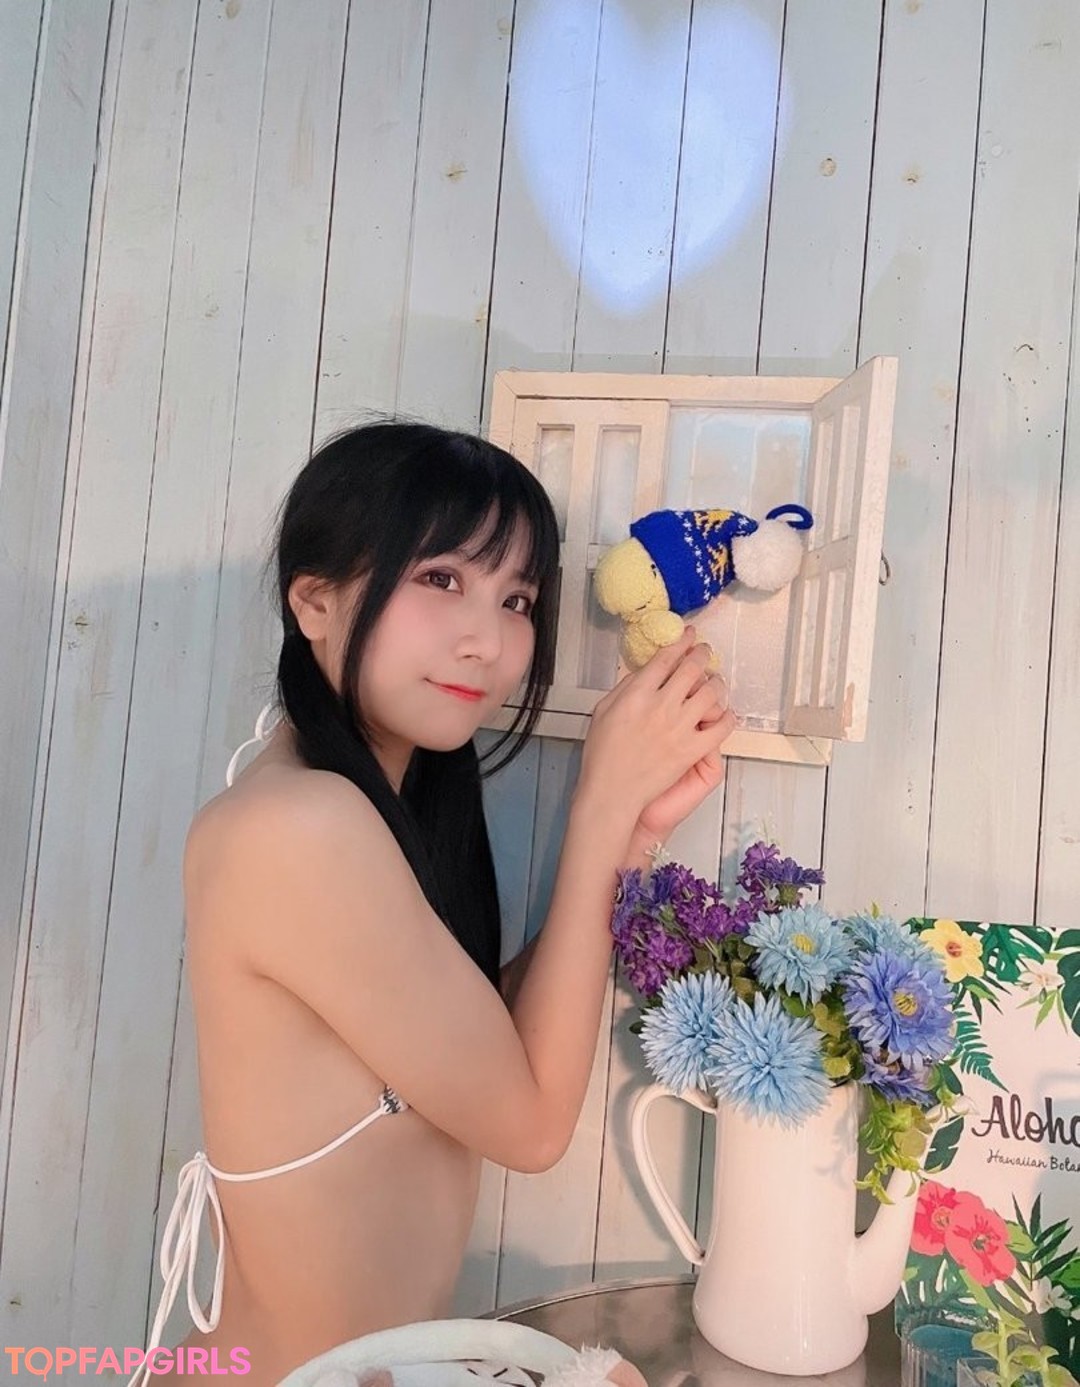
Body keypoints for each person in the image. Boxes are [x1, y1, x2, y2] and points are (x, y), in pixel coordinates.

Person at [133, 421, 736, 1386]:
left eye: (517, 599)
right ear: (315, 601)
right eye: (441, 578)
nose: (487, 640)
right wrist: (600, 801)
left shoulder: (366, 809)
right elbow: (532, 1125)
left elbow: (485, 1050)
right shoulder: (296, 828)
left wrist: (627, 840)